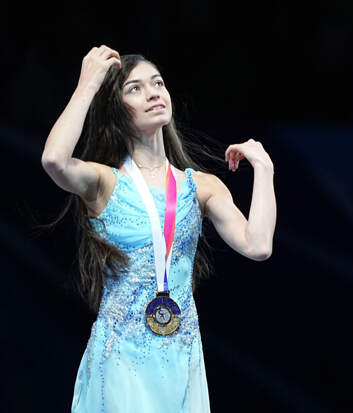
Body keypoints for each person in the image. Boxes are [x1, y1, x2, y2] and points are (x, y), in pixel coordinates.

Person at [41, 45, 276, 412]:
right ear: (116, 109)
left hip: (181, 358)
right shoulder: (105, 182)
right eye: (135, 88)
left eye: (158, 83)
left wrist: (264, 168)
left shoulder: (202, 186)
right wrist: (88, 84)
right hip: (120, 360)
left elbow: (257, 245)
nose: (153, 93)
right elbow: (54, 159)